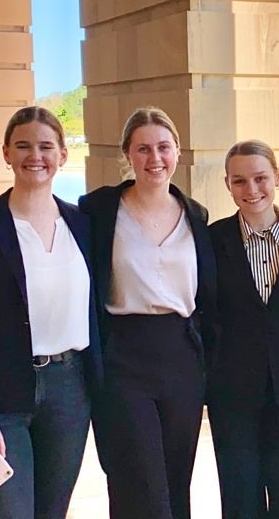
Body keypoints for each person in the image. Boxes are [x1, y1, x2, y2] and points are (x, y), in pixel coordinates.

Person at [0, 106, 101, 518]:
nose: (36, 155)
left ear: (63, 155)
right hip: (2, 398)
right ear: (6, 154)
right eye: (24, 145)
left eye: (47, 146)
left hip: (70, 391)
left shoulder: (82, 225)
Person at [78, 107, 217, 519]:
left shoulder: (196, 216)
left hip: (181, 360)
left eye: (163, 147)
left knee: (176, 480)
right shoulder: (98, 211)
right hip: (123, 358)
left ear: (178, 152)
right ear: (127, 154)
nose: (154, 158)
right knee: (137, 481)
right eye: (143, 149)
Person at [208, 140, 279, 519]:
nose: (251, 190)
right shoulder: (211, 240)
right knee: (240, 499)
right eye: (240, 181)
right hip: (232, 392)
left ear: (278, 178)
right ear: (227, 184)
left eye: (260, 178)